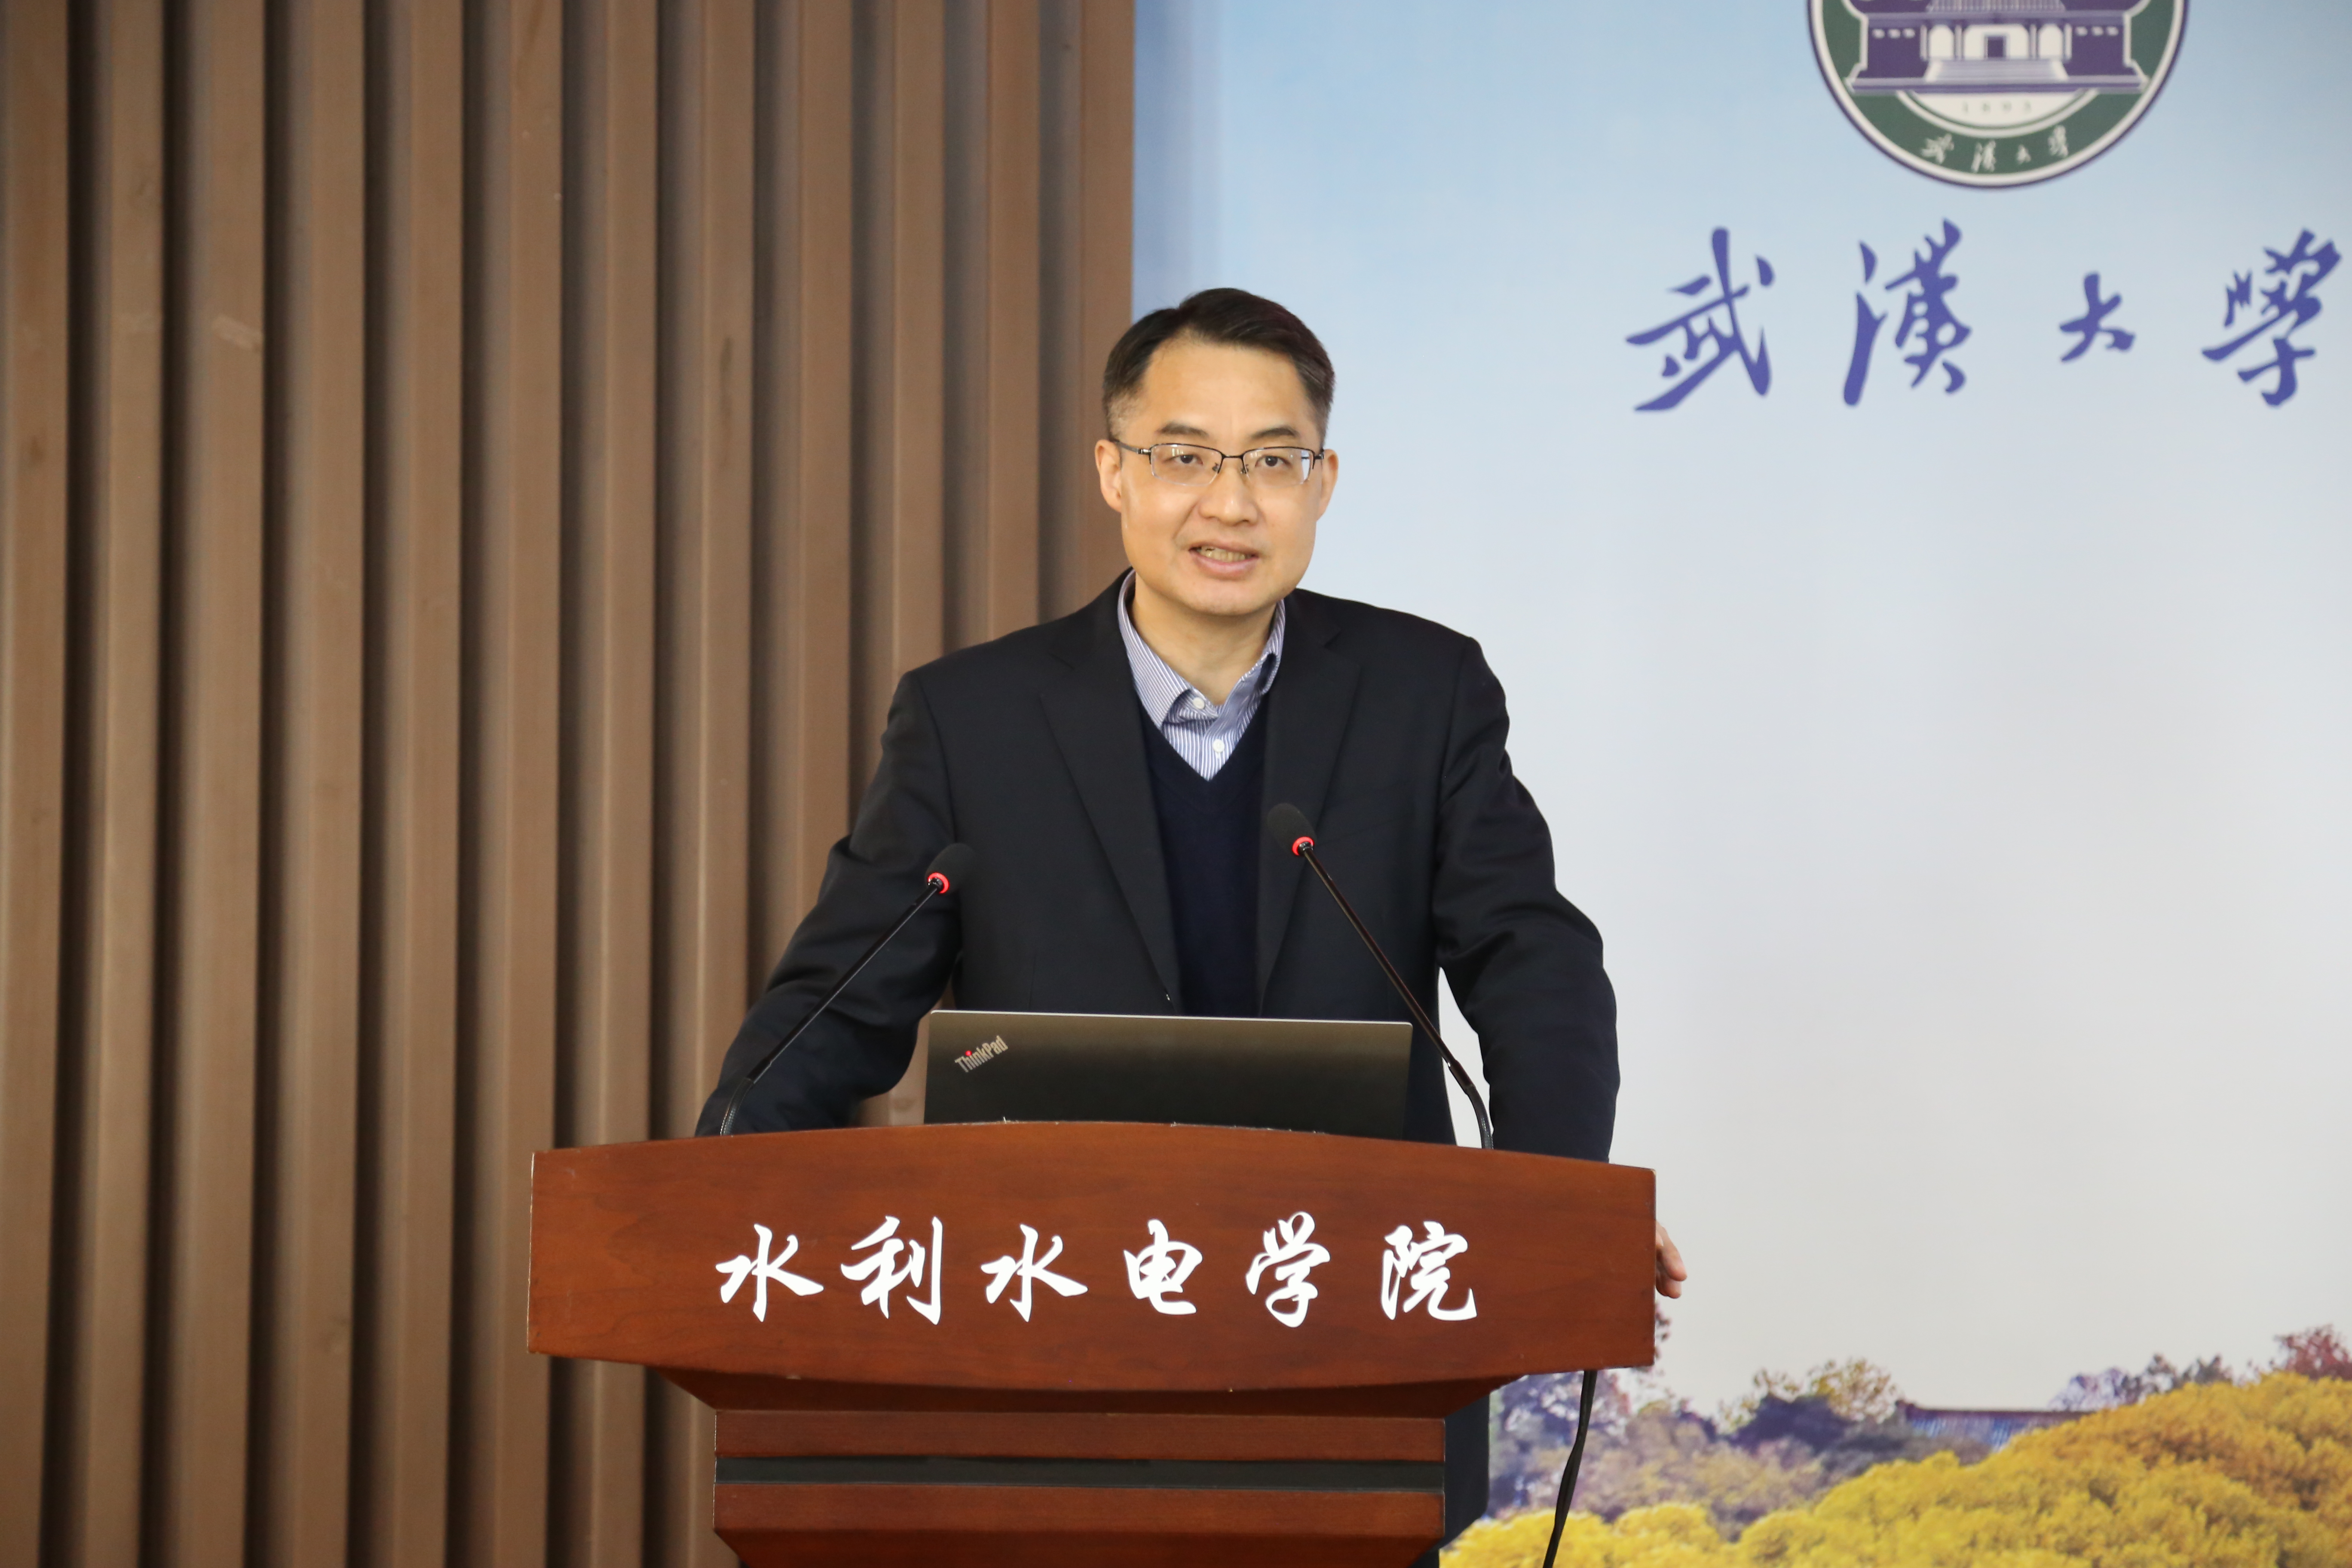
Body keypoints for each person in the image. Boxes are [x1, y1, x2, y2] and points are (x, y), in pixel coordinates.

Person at [697, 286, 1686, 1553]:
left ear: (1325, 484)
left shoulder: (1422, 693)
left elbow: (1531, 960)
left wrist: (1562, 1208)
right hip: (1045, 1331)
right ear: (1114, 473)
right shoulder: (974, 719)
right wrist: (715, 1187)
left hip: (1357, 1340)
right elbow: (839, 1002)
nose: (1231, 503)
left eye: (1273, 461)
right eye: (1185, 457)